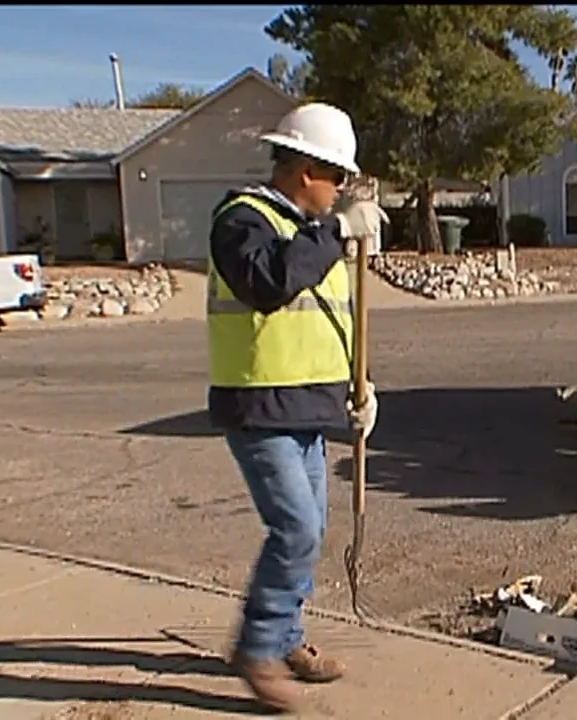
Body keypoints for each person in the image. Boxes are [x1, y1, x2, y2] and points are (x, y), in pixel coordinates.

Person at [205, 102, 378, 712]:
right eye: (339, 179)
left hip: (308, 409)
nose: (341, 193)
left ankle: (286, 637)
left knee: (312, 530)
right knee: (296, 528)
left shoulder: (310, 233)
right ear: (307, 169)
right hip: (259, 407)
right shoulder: (243, 220)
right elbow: (269, 282)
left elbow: (330, 322)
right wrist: (335, 232)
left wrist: (360, 392)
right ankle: (256, 648)